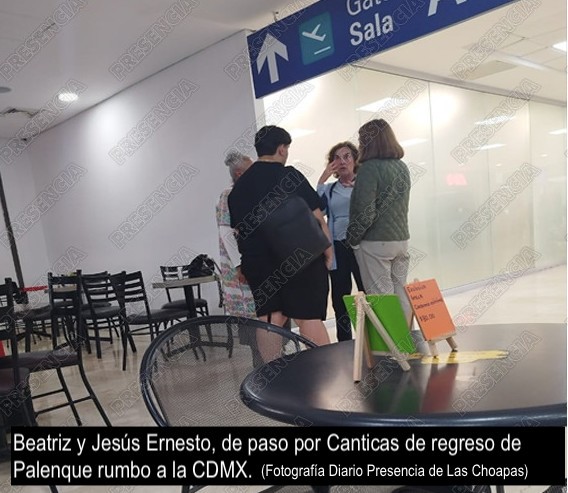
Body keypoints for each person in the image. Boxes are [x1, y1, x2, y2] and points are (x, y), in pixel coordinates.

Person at [228, 125, 332, 348]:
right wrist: (328, 252)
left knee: (270, 318)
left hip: (259, 262)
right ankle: (325, 367)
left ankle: (271, 368)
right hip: (300, 258)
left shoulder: (238, 188)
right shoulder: (289, 175)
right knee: (307, 316)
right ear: (282, 149)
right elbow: (317, 218)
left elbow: (238, 231)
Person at [347, 119, 412, 325]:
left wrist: (352, 239)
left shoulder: (368, 168)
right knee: (401, 292)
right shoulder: (402, 167)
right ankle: (406, 338)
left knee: (381, 297)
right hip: (401, 240)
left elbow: (365, 213)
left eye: (361, 139)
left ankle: (389, 343)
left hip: (375, 242)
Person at [317, 141, 364, 342]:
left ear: (355, 160)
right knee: (340, 297)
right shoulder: (329, 189)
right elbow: (318, 212)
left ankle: (372, 339)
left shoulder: (364, 184)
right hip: (338, 246)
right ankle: (344, 342)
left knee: (367, 292)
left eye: (347, 156)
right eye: (337, 158)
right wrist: (322, 179)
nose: (342, 161)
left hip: (361, 245)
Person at [215, 150, 256, 319]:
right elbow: (226, 232)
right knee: (246, 315)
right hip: (238, 265)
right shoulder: (228, 195)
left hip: (249, 262)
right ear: (240, 173)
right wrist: (239, 266)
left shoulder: (247, 195)